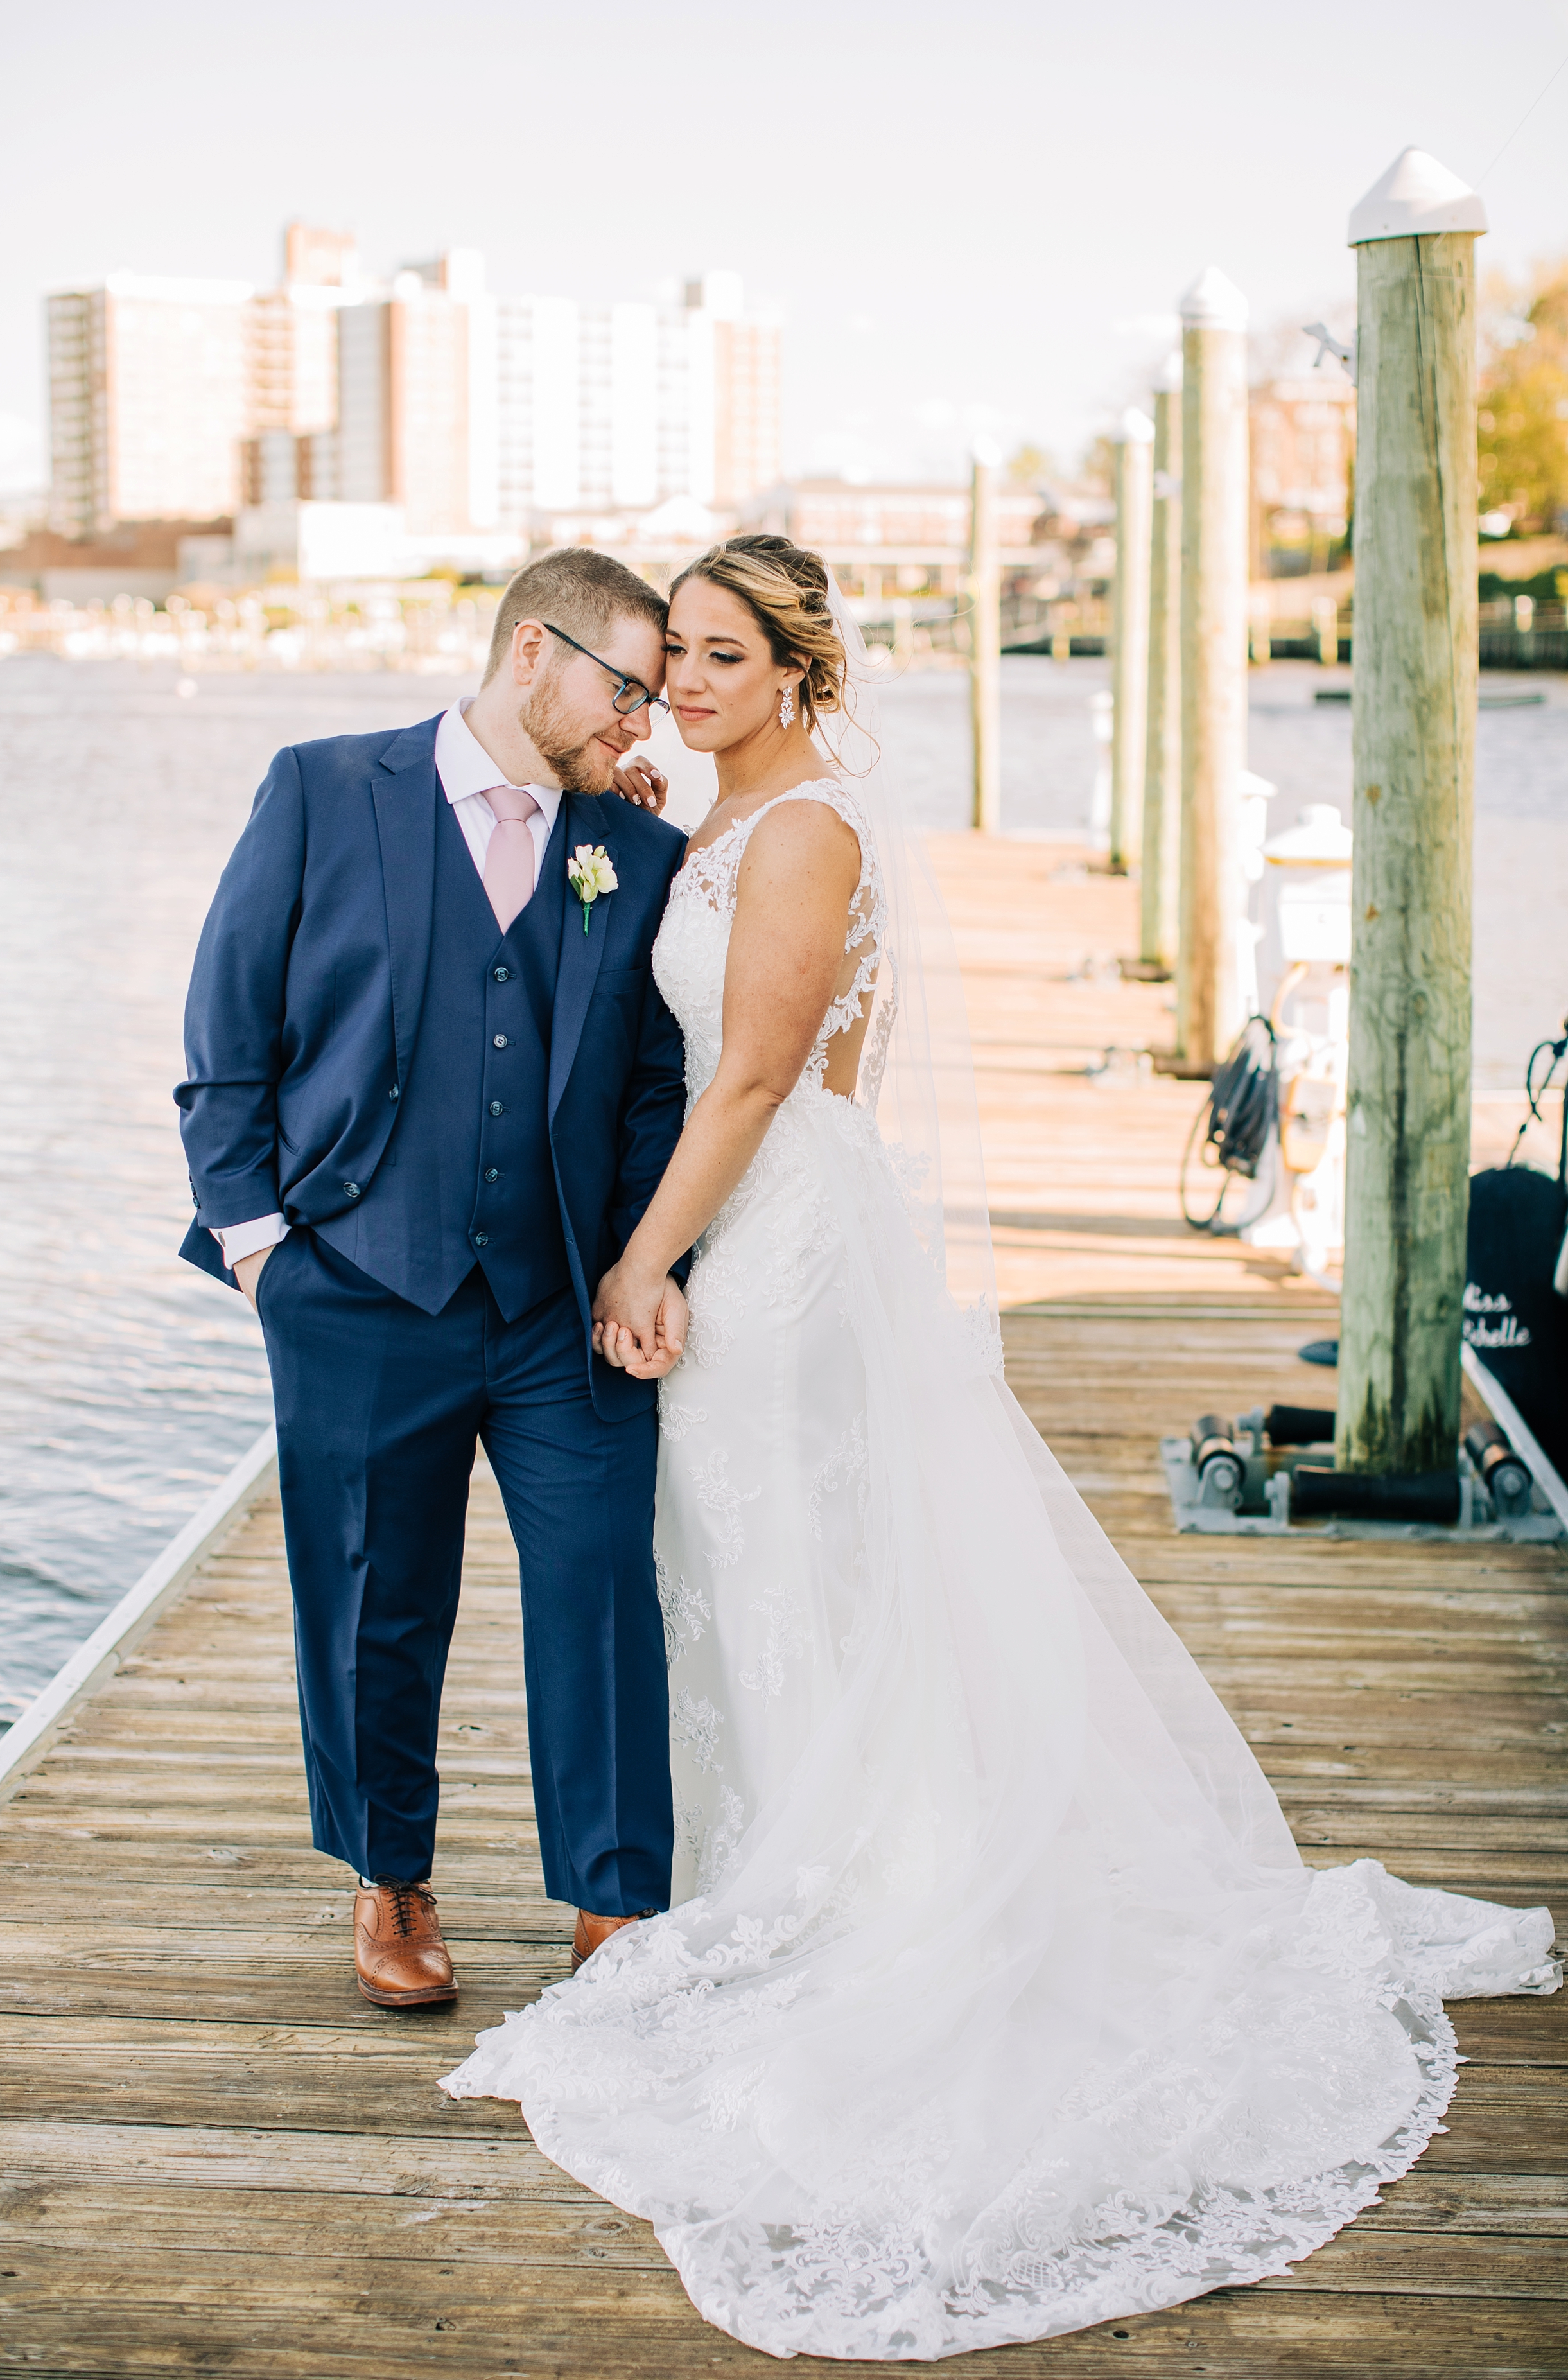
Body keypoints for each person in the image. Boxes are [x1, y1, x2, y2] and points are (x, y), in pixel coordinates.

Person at [443, 535, 1560, 2362]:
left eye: (726, 659)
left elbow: (753, 1072)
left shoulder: (804, 834)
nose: (691, 688)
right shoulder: (729, 814)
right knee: (759, 1561)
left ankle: (842, 1894)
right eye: (678, 663)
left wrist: (650, 1253)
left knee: (784, 1554)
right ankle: (776, 1865)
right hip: (767, 1213)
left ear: (801, 673)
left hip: (774, 1230)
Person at [175, 548, 693, 2008]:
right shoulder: (326, 787)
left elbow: (656, 1086)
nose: (643, 726)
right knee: (368, 1596)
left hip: (561, 1305)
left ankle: (614, 1898)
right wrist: (262, 1249)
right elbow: (227, 1034)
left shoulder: (636, 853)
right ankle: (387, 1876)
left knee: (600, 1586)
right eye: (628, 689)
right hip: (352, 1281)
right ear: (535, 651)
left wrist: (645, 1254)